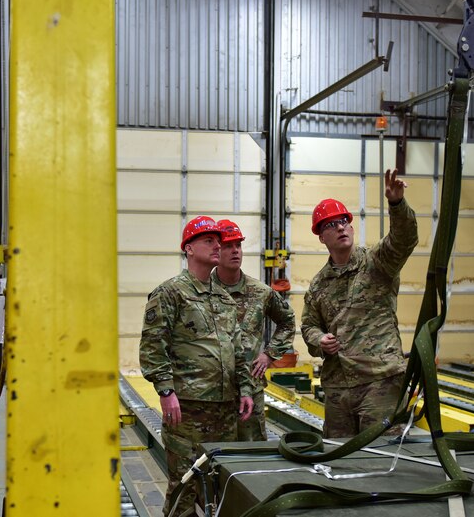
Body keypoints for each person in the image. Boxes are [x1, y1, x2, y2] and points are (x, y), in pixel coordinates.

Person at [139, 215, 254, 516]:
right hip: (188, 410)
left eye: (218, 241)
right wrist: (166, 391)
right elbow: (153, 346)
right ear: (188, 248)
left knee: (219, 484)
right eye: (208, 241)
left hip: (225, 409)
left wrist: (245, 389)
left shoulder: (225, 299)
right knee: (185, 485)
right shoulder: (170, 293)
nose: (217, 245)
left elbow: (237, 350)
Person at [301, 169, 418, 438]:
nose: (340, 227)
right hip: (338, 389)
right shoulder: (319, 283)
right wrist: (320, 340)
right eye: (331, 224)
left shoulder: (377, 263)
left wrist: (397, 205)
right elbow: (309, 325)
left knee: (381, 458)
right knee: (338, 458)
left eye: (344, 221)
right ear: (321, 236)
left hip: (380, 382)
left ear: (351, 227)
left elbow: (404, 239)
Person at [212, 219, 296, 441]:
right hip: (211, 392)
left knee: (252, 451)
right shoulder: (202, 291)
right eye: (228, 246)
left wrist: (269, 355)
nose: (235, 251)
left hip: (250, 386)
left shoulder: (260, 292)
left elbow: (287, 321)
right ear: (216, 251)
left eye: (237, 245)